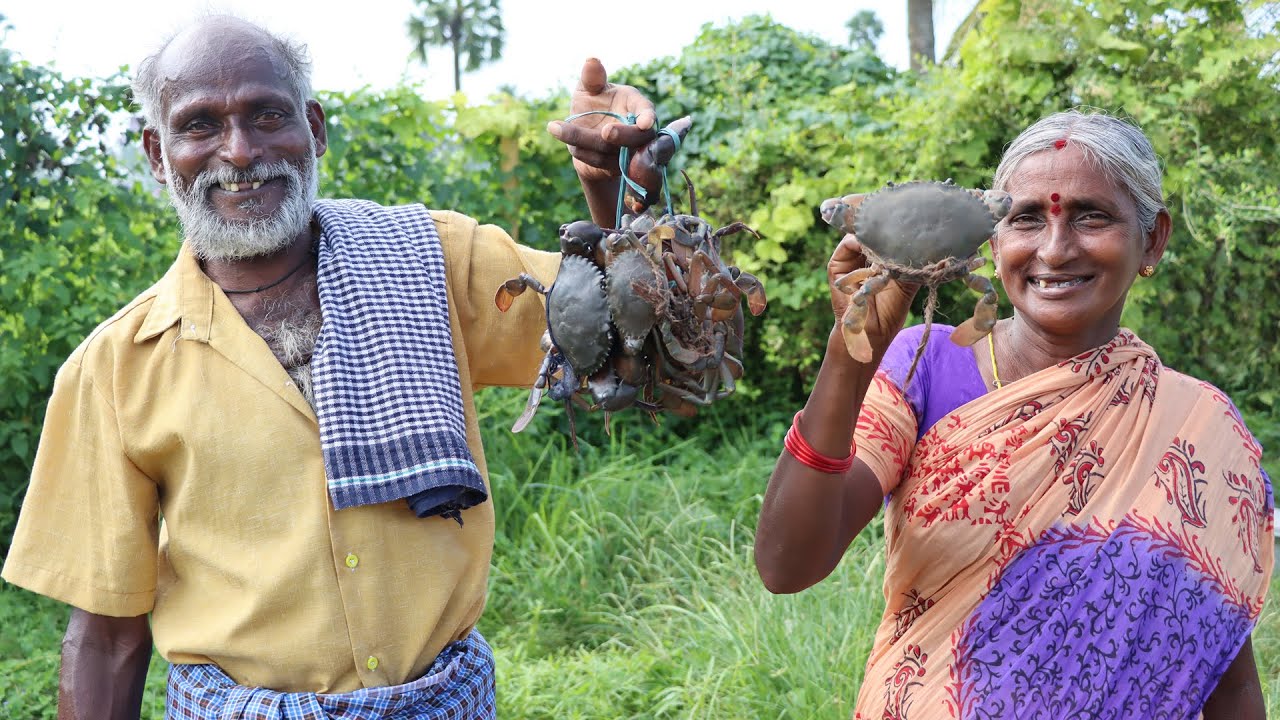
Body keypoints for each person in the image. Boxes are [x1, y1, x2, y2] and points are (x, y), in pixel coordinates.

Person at [0, 15, 683, 719]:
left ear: (315, 129)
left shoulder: (437, 262)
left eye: (267, 114)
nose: (239, 152)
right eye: (199, 125)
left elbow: (630, 340)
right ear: (156, 152)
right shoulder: (114, 368)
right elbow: (106, 639)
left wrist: (618, 194)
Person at [755, 110, 1273, 718]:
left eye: (1092, 215)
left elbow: (1224, 672)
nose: (1055, 249)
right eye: (1027, 217)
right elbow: (787, 564)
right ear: (993, 240)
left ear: (1152, 238)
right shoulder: (924, 366)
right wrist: (848, 356)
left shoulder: (1196, 426)